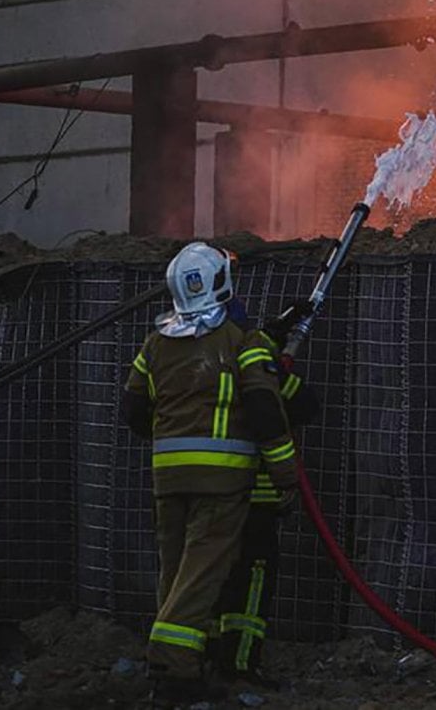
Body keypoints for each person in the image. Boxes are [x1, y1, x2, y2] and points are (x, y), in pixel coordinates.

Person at [120, 243, 300, 706]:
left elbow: (133, 410)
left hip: (168, 479)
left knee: (176, 572)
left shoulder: (155, 344)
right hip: (221, 483)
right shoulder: (241, 342)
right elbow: (265, 410)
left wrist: (176, 433)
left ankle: (185, 660)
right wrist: (285, 473)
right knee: (201, 573)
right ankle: (173, 666)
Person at [210, 300, 318, 688]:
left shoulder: (190, 360)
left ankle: (204, 659)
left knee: (207, 576)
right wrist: (275, 364)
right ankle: (240, 665)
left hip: (205, 494)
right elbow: (301, 405)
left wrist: (272, 341)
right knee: (252, 578)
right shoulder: (255, 365)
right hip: (254, 495)